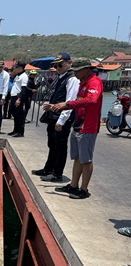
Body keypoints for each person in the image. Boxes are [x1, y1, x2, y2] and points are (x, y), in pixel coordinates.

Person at [48, 58, 103, 199]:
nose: (75, 74)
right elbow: (78, 102)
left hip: (88, 126)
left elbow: (91, 100)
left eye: (78, 71)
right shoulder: (82, 83)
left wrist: (67, 104)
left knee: (86, 159)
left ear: (86, 69)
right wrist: (59, 106)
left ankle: (84, 189)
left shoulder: (94, 82)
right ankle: (73, 185)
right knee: (77, 157)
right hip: (78, 124)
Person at [33, 53, 80, 183]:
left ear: (69, 63)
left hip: (62, 117)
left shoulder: (72, 79)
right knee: (52, 144)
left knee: (60, 146)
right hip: (53, 116)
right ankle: (48, 168)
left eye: (60, 65)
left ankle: (57, 173)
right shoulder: (61, 77)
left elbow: (70, 101)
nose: (58, 68)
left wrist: (61, 121)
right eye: (56, 66)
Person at [8, 62, 28, 137]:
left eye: (16, 67)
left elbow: (23, 89)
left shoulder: (24, 76)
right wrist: (11, 99)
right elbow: (14, 87)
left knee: (19, 115)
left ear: (20, 68)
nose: (15, 69)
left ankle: (20, 131)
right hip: (13, 96)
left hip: (18, 97)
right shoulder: (17, 76)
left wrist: (19, 99)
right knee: (15, 115)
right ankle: (15, 130)